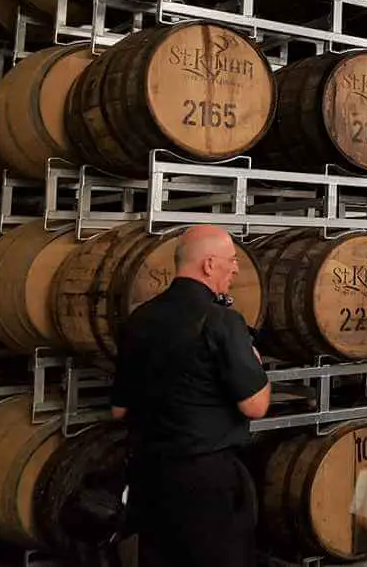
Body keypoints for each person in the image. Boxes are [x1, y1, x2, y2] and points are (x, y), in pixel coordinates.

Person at [110, 224, 271, 567]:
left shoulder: (139, 319)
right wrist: (256, 364)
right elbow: (256, 406)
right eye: (231, 260)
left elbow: (119, 411)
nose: (236, 268)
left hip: (149, 476)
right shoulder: (223, 321)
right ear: (209, 265)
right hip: (205, 481)